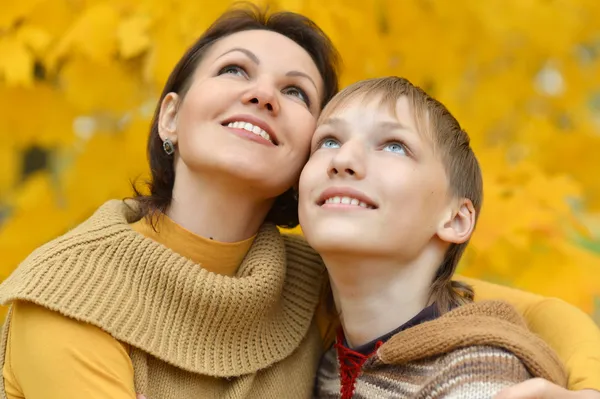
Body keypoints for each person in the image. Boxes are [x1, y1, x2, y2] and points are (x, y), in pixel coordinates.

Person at [0, 4, 597, 399]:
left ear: (303, 160)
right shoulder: (69, 302)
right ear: (172, 117)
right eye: (235, 71)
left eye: (295, 92)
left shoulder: (313, 278)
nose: (262, 95)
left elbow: (528, 314)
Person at [299, 76, 567, 398]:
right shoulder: (326, 363)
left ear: (455, 219)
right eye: (329, 141)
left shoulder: (478, 377)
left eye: (395, 146)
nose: (343, 160)